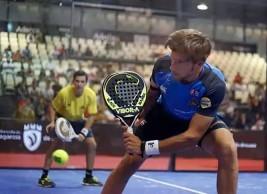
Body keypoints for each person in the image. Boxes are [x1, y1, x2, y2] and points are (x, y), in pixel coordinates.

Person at [101, 29, 238, 194]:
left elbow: (192, 136)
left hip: (195, 120)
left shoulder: (213, 84)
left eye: (179, 62)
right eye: (172, 58)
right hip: (162, 116)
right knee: (129, 161)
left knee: (227, 149)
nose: (172, 65)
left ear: (198, 64)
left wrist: (144, 147)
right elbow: (151, 97)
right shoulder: (162, 66)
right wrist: (139, 117)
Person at [38, 70, 103, 187]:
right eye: (77, 81)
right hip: (64, 121)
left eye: (82, 82)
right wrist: (52, 122)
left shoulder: (91, 95)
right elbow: (52, 107)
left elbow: (92, 115)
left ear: (86, 83)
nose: (79, 84)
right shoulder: (64, 93)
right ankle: (43, 178)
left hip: (79, 121)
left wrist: (84, 131)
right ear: (73, 81)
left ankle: (88, 177)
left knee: (92, 144)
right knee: (54, 146)